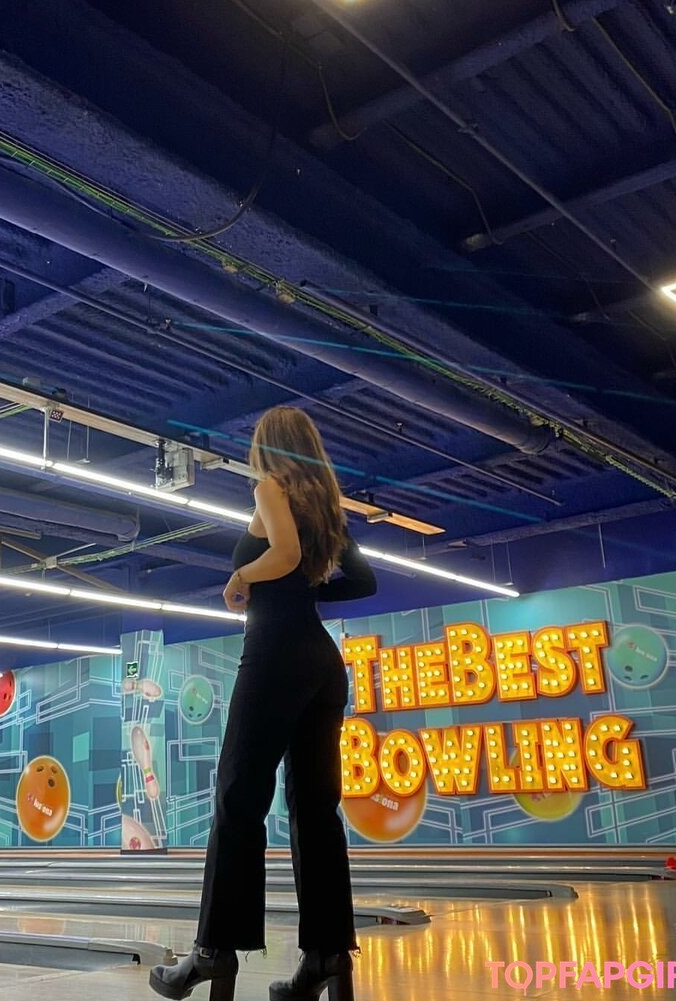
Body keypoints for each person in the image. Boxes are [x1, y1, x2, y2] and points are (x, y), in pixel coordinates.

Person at [149, 407, 376, 1001]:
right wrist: (308, 590)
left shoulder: (270, 487)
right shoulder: (327, 504)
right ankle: (327, 957)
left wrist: (242, 578)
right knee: (316, 813)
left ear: (266, 448)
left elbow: (285, 555)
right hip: (321, 663)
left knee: (238, 800)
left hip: (275, 655)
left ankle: (212, 953)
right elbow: (362, 581)